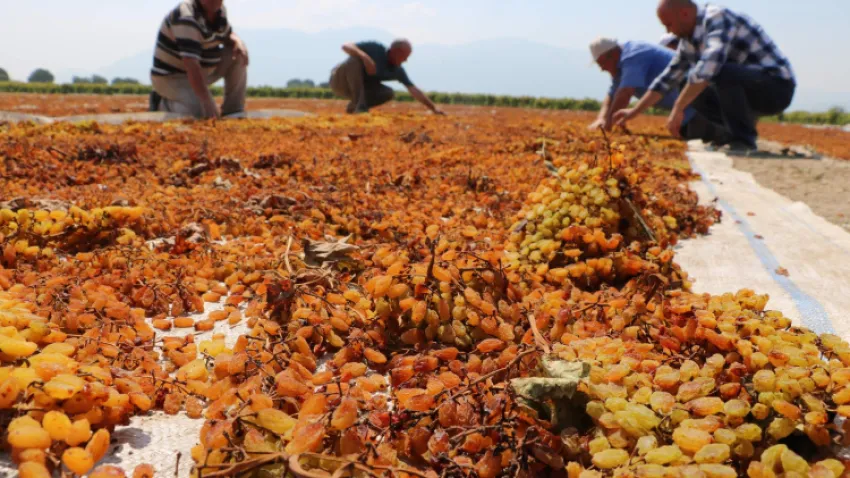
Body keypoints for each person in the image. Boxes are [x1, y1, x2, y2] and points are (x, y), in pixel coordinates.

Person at [614, 0, 796, 151]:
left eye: (669, 24)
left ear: (684, 14)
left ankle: (744, 140)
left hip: (776, 87)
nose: (669, 32)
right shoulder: (689, 41)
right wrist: (634, 111)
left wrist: (678, 107)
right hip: (748, 89)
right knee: (685, 81)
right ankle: (732, 133)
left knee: (720, 73)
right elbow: (667, 78)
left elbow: (710, 66)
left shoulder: (717, 17)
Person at [588, 38, 730, 145]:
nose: (602, 69)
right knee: (690, 135)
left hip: (697, 104)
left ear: (611, 55)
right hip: (685, 111)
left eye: (602, 64)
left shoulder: (633, 55)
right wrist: (601, 118)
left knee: (707, 138)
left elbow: (624, 93)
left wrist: (607, 127)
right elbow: (611, 94)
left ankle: (731, 131)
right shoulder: (619, 67)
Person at [149, 0, 249, 119]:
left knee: (237, 53)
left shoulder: (220, 11)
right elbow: (191, 65)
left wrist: (238, 42)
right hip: (172, 77)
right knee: (198, 111)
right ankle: (161, 102)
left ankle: (233, 111)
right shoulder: (186, 16)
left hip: (202, 71)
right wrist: (207, 102)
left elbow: (228, 34)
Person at [330, 39, 444, 115]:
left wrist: (433, 108)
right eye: (405, 56)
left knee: (388, 92)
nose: (405, 60)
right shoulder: (376, 49)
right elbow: (346, 46)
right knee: (354, 60)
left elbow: (413, 89)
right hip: (340, 81)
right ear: (396, 52)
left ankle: (356, 106)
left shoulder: (397, 70)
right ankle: (360, 107)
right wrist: (365, 58)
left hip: (359, 89)